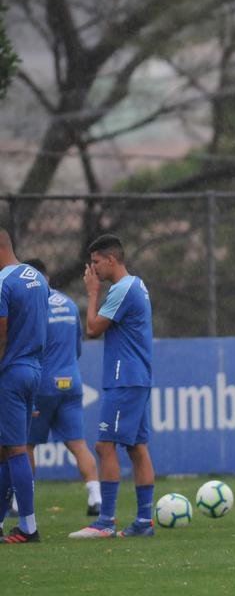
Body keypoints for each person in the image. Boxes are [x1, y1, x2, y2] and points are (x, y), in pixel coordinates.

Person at [69, 234, 157, 539]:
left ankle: (105, 521)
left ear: (110, 259)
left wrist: (92, 292)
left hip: (124, 378)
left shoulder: (122, 288)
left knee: (105, 446)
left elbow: (93, 328)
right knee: (136, 447)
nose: (92, 268)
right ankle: (144, 522)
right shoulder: (137, 284)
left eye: (95, 262)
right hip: (136, 377)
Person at [24, 258, 101, 516]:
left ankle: (19, 503)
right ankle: (95, 497)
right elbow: (77, 348)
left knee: (25, 445)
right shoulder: (68, 303)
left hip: (42, 385)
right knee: (78, 444)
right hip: (71, 382)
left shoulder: (33, 307)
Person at [0, 232, 48, 544]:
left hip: (10, 372)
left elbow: (1, 334)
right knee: (7, 449)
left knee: (15, 450)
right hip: (33, 369)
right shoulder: (38, 279)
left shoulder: (3, 282)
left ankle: (28, 527)